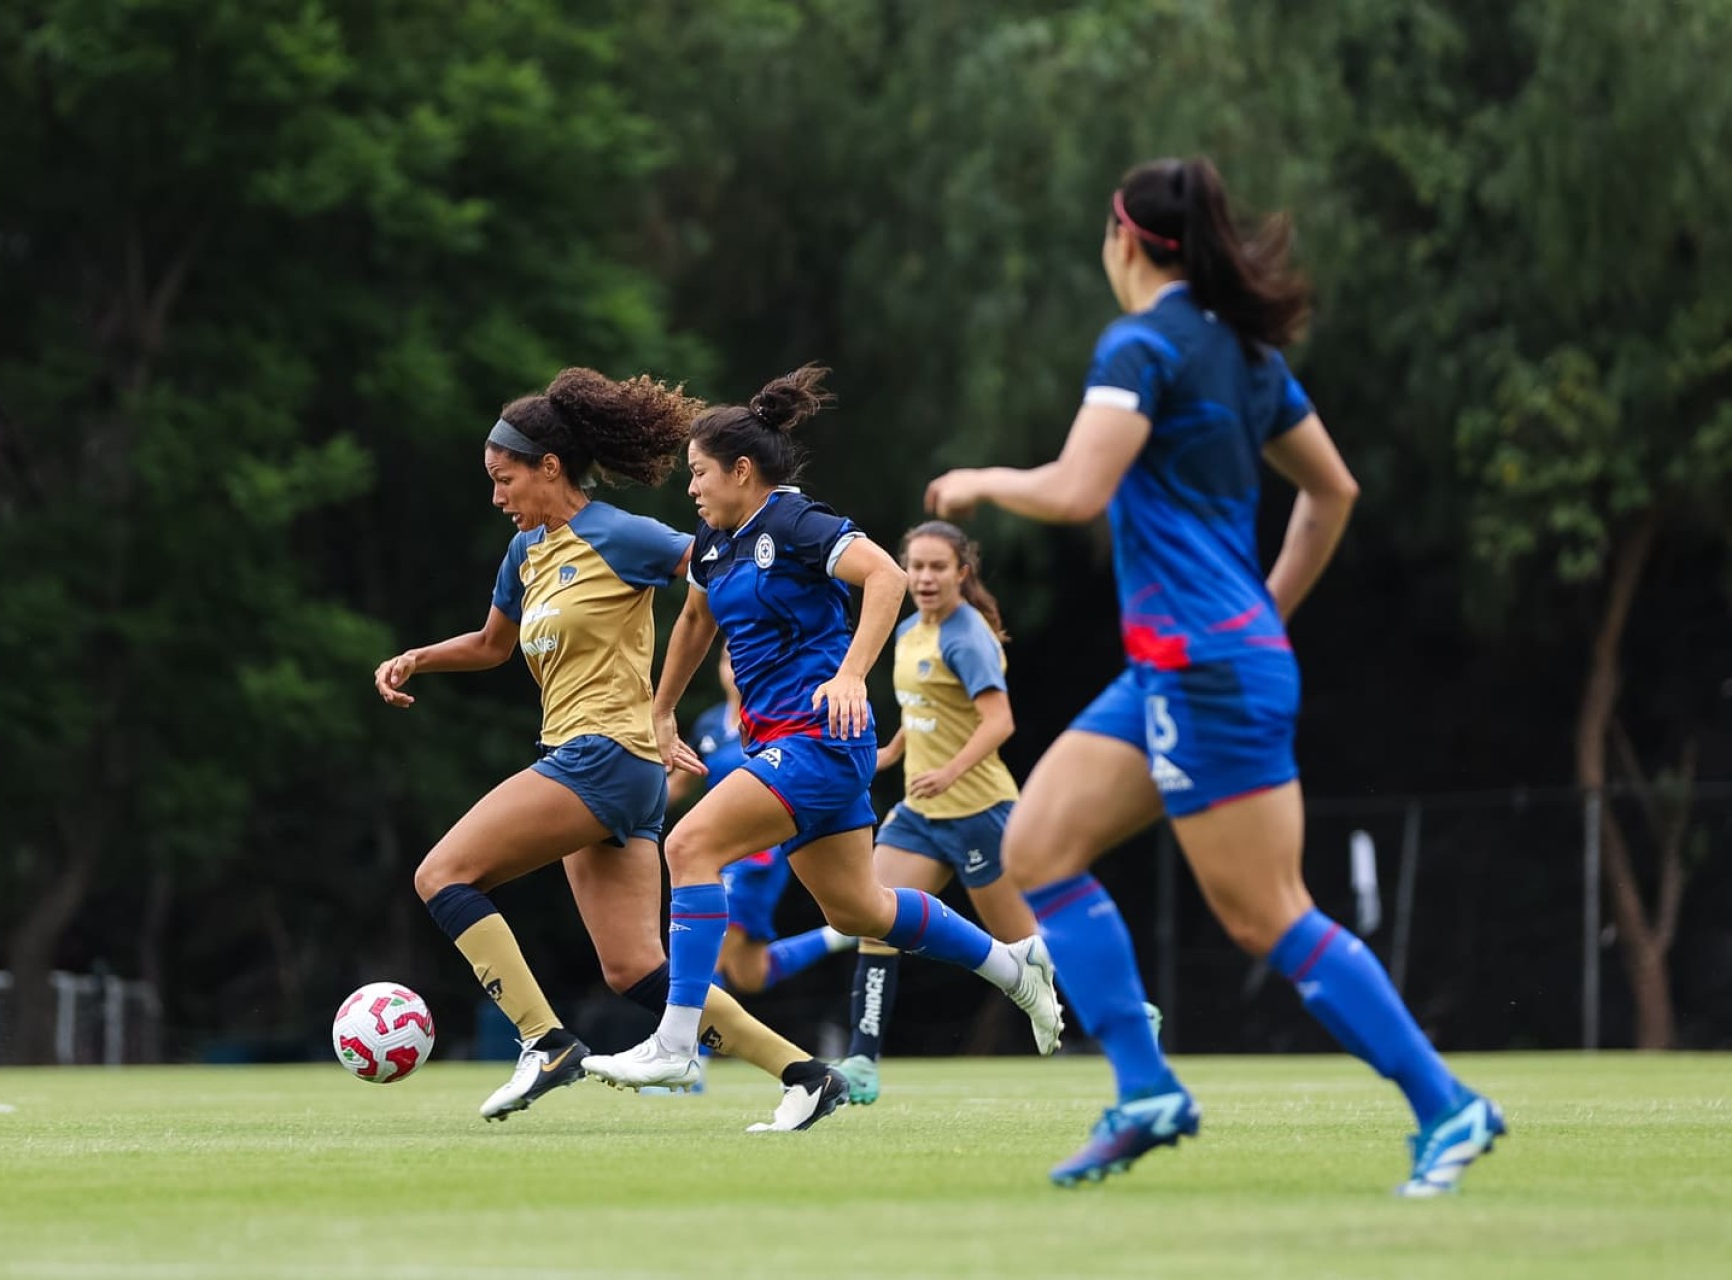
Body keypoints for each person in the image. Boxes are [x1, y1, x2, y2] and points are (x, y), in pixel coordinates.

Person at [925, 157, 1504, 1196]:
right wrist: (1266, 611)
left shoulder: (1142, 343)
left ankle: (1446, 1103)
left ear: (1126, 239)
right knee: (1038, 844)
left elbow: (1078, 489)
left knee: (1266, 912)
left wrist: (981, 480)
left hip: (1203, 669)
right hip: (1189, 662)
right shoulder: (1241, 349)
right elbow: (1332, 491)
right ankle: (1145, 1089)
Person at [581, 365, 1065, 1132]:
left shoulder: (796, 522)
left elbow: (885, 577)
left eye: (700, 473)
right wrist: (662, 710)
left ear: (742, 470)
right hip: (787, 745)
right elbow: (696, 622)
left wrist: (849, 675)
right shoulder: (714, 543)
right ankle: (1014, 965)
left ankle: (676, 1043)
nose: (691, 488)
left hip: (821, 740)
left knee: (690, 845)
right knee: (860, 907)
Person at [373, 367, 848, 1130]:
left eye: (504, 479)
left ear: (548, 468)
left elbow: (718, 571)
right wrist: (417, 659)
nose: (496, 496)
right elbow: (493, 645)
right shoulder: (524, 552)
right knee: (636, 969)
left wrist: (768, 665)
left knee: (442, 875)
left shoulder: (620, 534)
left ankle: (544, 1041)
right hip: (602, 766)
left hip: (604, 757)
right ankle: (806, 1073)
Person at [837, 521, 1161, 1105]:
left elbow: (999, 722)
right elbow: (923, 707)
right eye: (917, 566)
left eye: (938, 567)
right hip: (920, 814)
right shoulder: (908, 631)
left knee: (1026, 945)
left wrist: (950, 771)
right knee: (874, 921)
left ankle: (1131, 1014)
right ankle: (862, 1061)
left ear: (962, 572)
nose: (925, 578)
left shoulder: (968, 637)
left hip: (979, 812)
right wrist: (893, 751)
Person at [668, 647, 856, 996]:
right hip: (715, 849)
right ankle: (844, 935)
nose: (733, 668)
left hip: (757, 854)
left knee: (705, 958)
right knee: (750, 974)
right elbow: (678, 785)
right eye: (726, 660)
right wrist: (627, 808)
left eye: (740, 658)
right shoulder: (709, 723)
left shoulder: (775, 719)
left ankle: (687, 1033)